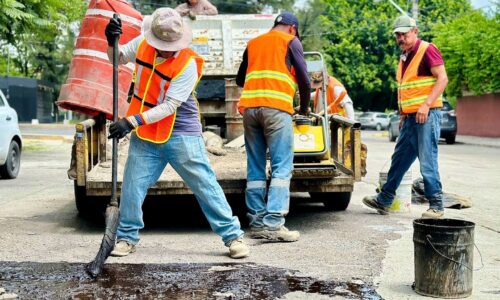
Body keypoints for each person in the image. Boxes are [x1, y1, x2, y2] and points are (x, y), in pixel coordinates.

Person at [103, 7, 249, 258]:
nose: (166, 50)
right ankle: (127, 238)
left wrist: (130, 122)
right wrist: (110, 41)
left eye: (171, 46)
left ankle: (233, 237)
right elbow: (118, 59)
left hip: (180, 132)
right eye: (162, 44)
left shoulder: (188, 63)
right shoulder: (143, 42)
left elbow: (170, 106)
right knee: (132, 186)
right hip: (146, 132)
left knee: (204, 184)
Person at [362, 15, 448, 218]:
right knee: (399, 160)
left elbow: (442, 78)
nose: (400, 38)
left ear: (415, 31)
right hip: (410, 118)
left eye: (404, 34)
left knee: (427, 160)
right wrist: (402, 115)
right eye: (397, 35)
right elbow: (407, 89)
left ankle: (437, 205)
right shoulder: (404, 57)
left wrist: (426, 105)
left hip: (426, 115)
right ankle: (384, 200)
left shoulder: (427, 49)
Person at [236, 12, 310, 242]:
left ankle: (257, 221)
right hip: (277, 109)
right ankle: (274, 223)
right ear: (292, 28)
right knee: (281, 167)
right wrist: (304, 108)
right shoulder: (291, 41)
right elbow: (305, 80)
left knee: (255, 166)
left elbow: (240, 79)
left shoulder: (254, 43)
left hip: (250, 109)